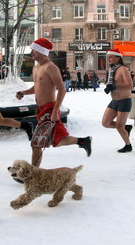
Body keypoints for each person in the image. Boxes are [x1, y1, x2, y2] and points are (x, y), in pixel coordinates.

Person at [16, 38, 92, 168]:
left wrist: (55, 111)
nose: (31, 52)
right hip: (40, 110)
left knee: (36, 144)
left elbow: (62, 90)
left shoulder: (51, 67)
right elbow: (37, 87)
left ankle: (32, 174)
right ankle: (83, 141)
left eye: (34, 50)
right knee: (58, 139)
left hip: (50, 109)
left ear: (42, 51)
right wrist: (24, 92)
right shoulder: (36, 68)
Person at [101, 49, 134, 153]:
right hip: (114, 100)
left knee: (120, 126)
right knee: (105, 123)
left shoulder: (123, 69)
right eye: (108, 57)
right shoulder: (112, 69)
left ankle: (128, 145)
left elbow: (130, 85)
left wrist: (113, 86)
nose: (109, 59)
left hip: (124, 101)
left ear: (118, 57)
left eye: (111, 57)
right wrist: (108, 86)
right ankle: (126, 128)